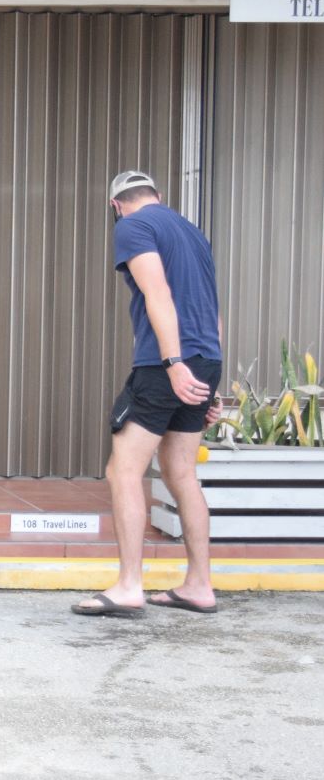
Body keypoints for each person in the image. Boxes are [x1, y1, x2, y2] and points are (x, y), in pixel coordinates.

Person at [72, 171, 224, 619]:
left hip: (165, 364)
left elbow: (157, 293)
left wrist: (174, 364)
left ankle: (129, 586)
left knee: (123, 469)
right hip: (206, 359)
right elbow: (212, 308)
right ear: (158, 197)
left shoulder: (133, 227)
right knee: (181, 473)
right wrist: (208, 378)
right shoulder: (193, 233)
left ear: (116, 204)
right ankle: (199, 585)